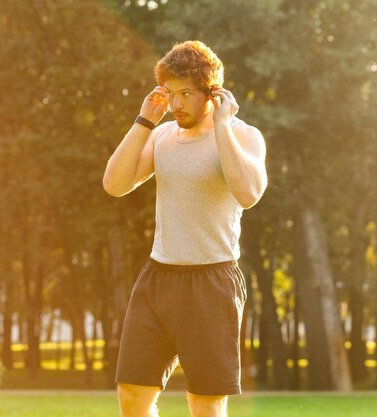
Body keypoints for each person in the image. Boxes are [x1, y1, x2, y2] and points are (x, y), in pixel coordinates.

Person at [102, 40, 268, 417]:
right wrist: (145, 121)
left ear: (213, 92)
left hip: (212, 282)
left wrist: (222, 125)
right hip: (158, 279)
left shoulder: (243, 135)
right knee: (132, 395)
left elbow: (249, 193)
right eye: (171, 93)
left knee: (205, 405)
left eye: (186, 94)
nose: (176, 104)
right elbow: (115, 184)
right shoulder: (163, 137)